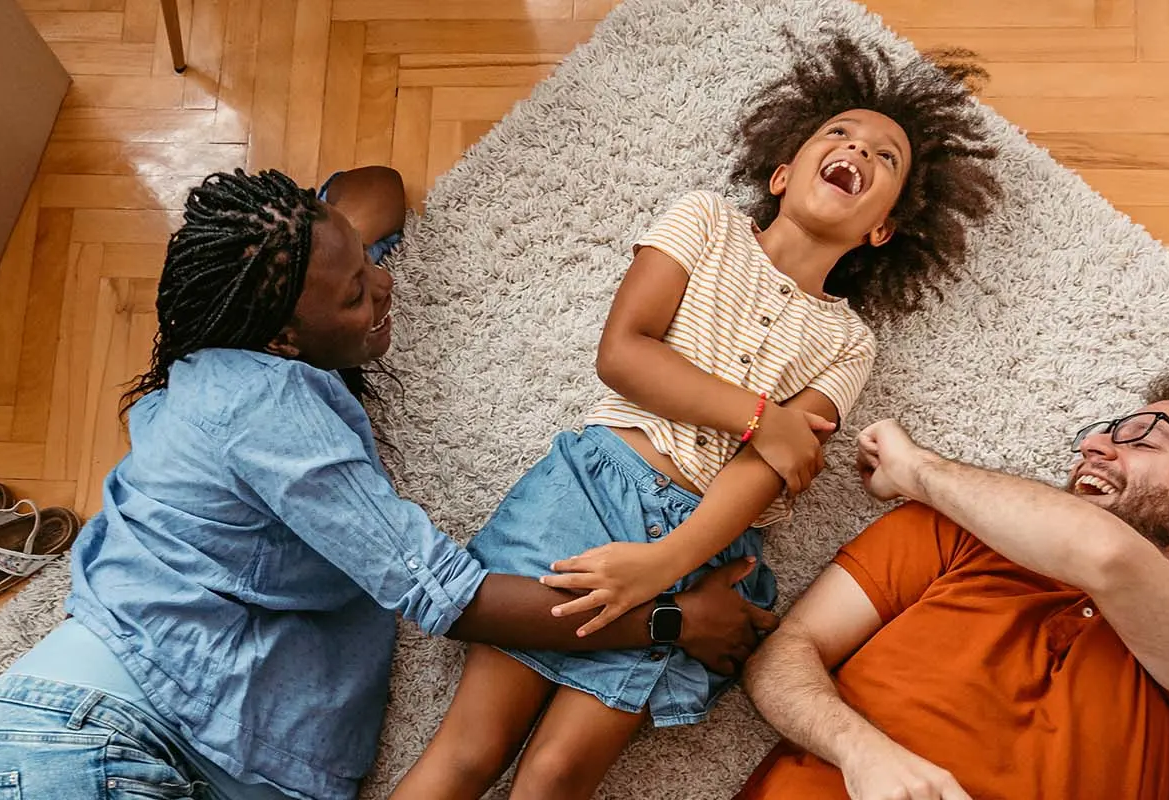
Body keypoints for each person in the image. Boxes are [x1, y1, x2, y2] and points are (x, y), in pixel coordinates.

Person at [0, 166, 778, 800]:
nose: (384, 286)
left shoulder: (266, 310)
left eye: (363, 262)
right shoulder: (268, 411)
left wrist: (326, 223)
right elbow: (447, 596)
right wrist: (669, 618)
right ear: (287, 340)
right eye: (353, 294)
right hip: (88, 740)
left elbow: (377, 186)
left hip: (145, 739)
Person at [391, 38, 1001, 800]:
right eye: (839, 134)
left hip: (703, 547)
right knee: (469, 751)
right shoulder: (706, 223)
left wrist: (664, 565)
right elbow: (623, 352)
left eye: (887, 157)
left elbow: (768, 470)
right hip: (590, 489)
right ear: (783, 173)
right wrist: (761, 416)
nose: (859, 150)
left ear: (881, 229)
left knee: (550, 778)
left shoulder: (849, 342)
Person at [740, 374, 1169, 800]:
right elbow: (784, 654)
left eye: (1144, 440)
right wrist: (861, 752)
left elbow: (1108, 556)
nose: (1095, 444)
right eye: (1106, 430)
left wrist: (917, 468)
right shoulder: (951, 530)